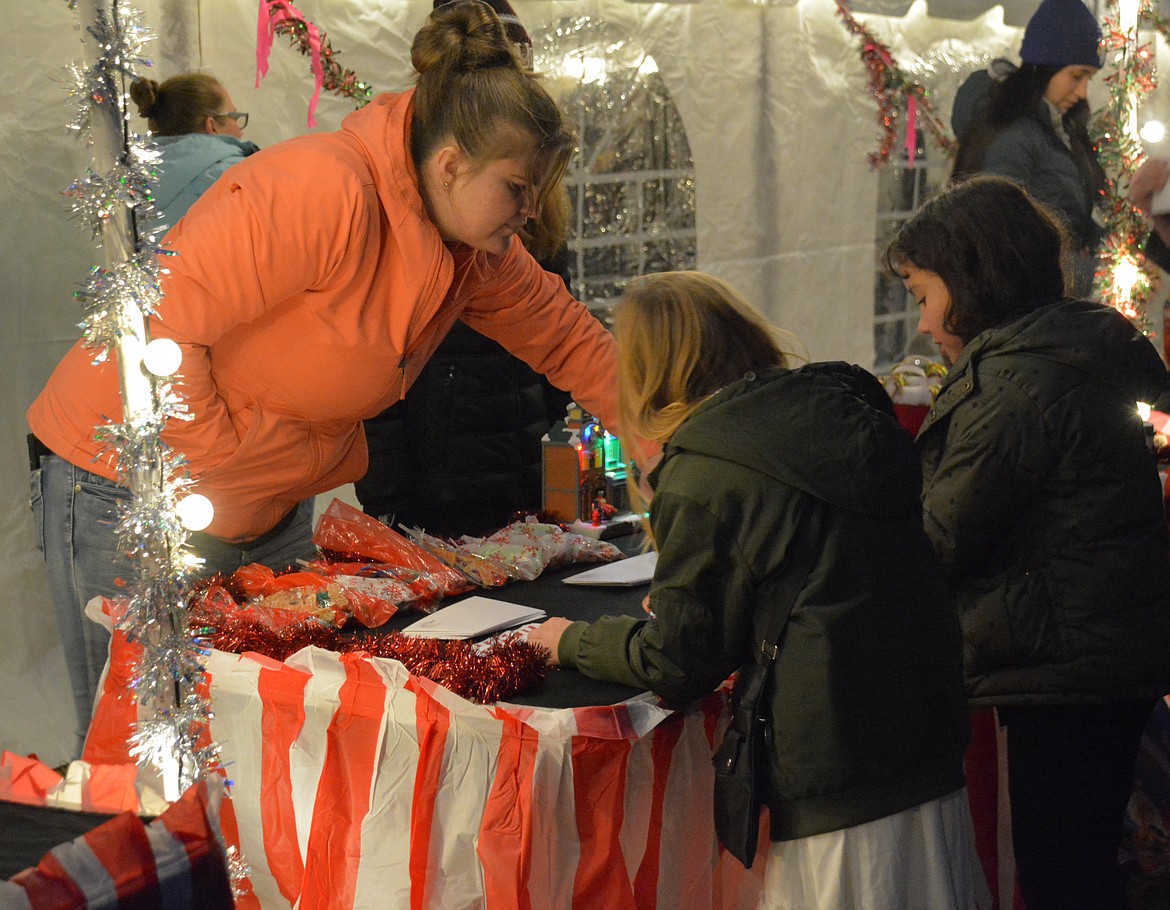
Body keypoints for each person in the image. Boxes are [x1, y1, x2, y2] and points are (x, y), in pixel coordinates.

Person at [27, 0, 641, 756]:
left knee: (263, 752)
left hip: (262, 504)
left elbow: (572, 342)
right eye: (518, 188)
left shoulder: (474, 253)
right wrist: (228, 462)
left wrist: (674, 441)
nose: (530, 211)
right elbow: (153, 324)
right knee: (147, 754)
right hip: (128, 489)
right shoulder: (324, 189)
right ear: (451, 163)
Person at [529, 272, 987, 910]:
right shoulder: (840, 413)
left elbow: (677, 661)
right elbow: (821, 571)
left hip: (834, 769)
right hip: (922, 739)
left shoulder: (706, 469)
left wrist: (571, 641)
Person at [885, 174, 1170, 910]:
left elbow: (939, 539)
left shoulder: (1018, 384)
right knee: (1073, 862)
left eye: (924, 295)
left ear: (975, 279)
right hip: (1094, 655)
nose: (922, 324)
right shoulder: (1059, 353)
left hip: (1071, 668)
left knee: (1062, 874)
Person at [354, 0, 576, 537]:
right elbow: (379, 368)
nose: (521, 211)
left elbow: (561, 322)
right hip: (435, 466)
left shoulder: (527, 179)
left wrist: (552, 416)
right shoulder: (398, 180)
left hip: (514, 444)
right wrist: (388, 502)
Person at [950, 0, 1105, 296]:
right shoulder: (1014, 136)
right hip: (1023, 313)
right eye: (1077, 75)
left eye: (1090, 78)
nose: (1083, 91)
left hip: (1050, 306)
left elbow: (1070, 216)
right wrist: (1094, 272)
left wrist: (1114, 251)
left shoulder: (1059, 129)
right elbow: (1003, 245)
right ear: (1045, 66)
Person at [128, 72, 259, 233]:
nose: (240, 131)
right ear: (212, 125)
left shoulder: (129, 185)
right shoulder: (237, 179)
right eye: (235, 117)